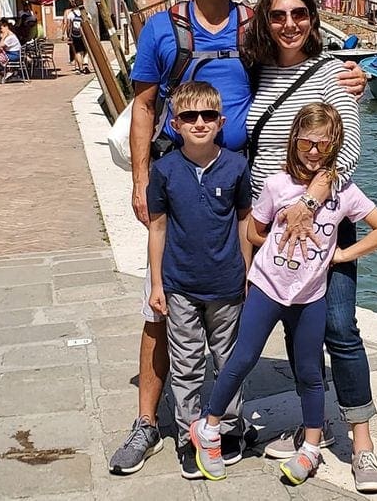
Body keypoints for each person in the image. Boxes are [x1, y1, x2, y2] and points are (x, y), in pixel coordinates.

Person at [111, 0, 366, 477]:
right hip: (177, 184)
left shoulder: (252, 24)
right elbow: (144, 106)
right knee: (162, 305)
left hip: (241, 191)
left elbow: (299, 63)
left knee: (231, 302)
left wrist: (349, 77)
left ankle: (222, 417)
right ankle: (146, 421)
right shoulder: (163, 28)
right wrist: (139, 181)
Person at [189, 102, 377, 486]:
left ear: (335, 144)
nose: (314, 151)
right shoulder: (275, 184)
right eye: (306, 143)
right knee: (243, 357)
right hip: (269, 287)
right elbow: (254, 231)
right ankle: (209, 427)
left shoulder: (344, 192)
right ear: (293, 141)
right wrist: (277, 238)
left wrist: (342, 254)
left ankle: (311, 447)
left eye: (323, 144)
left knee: (311, 371)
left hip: (311, 295)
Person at [242, 0, 377, 492]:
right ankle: (313, 426)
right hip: (274, 230)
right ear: (265, 19)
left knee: (340, 330)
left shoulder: (332, 73)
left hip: (324, 224)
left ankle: (362, 443)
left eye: (299, 14)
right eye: (278, 15)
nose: (289, 24)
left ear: (313, 18)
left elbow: (344, 151)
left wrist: (308, 201)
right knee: (297, 333)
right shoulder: (254, 71)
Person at [143, 81, 252, 480]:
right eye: (190, 117)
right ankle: (190, 436)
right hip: (180, 284)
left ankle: (227, 425)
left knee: (229, 361)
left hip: (226, 283)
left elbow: (243, 221)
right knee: (187, 365)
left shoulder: (237, 166)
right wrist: (157, 284)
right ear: (176, 123)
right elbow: (157, 229)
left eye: (208, 116)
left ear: (221, 122)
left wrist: (247, 271)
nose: (200, 123)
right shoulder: (165, 169)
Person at [63, 0, 90, 74]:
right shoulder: (86, 13)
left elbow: (68, 25)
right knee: (86, 51)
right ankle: (85, 65)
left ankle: (80, 68)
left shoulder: (71, 14)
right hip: (85, 35)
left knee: (78, 51)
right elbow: (90, 23)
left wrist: (68, 35)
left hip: (75, 35)